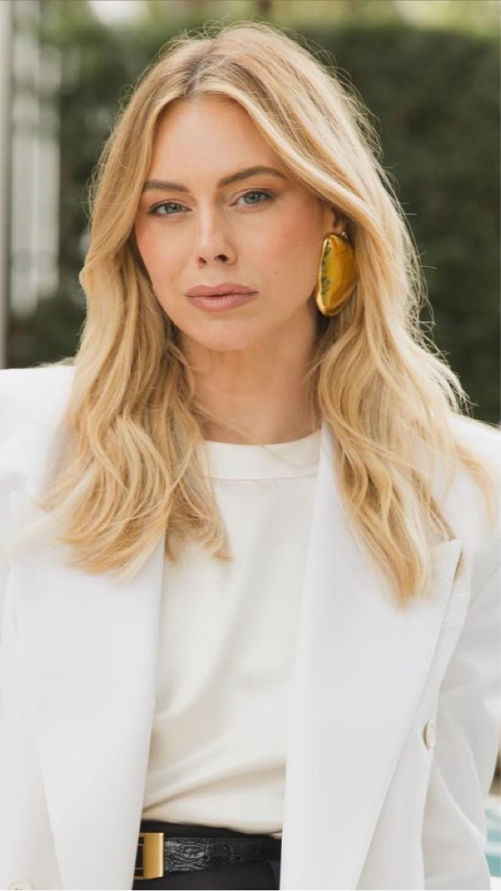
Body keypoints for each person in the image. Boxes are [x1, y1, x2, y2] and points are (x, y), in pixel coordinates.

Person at [1, 18, 500, 891]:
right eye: (166, 206)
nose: (209, 244)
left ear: (333, 215)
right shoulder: (24, 449)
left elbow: (446, 829)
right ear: (134, 238)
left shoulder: (458, 487)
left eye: (252, 194)